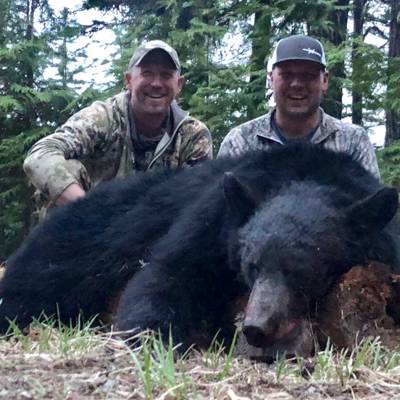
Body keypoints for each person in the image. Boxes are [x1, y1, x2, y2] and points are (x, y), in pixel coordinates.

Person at [24, 40, 213, 218]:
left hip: (159, 227)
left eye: (166, 75)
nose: (156, 83)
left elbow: (199, 200)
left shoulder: (193, 136)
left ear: (179, 85)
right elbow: (40, 155)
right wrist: (86, 209)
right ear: (129, 80)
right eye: (147, 73)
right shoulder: (102, 118)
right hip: (92, 223)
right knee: (66, 171)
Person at [217, 34, 380, 178]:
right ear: (271, 79)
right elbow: (220, 200)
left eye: (308, 76)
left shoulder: (352, 141)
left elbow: (370, 201)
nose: (296, 84)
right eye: (287, 75)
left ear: (325, 81)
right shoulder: (240, 141)